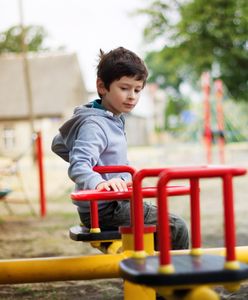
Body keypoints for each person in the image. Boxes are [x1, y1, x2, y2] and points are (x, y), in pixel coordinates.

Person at [51, 47, 189, 250]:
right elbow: (79, 165)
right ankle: (178, 280)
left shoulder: (108, 117)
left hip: (112, 203)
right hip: (106, 208)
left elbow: (59, 143)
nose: (132, 96)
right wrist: (99, 182)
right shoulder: (94, 124)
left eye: (137, 89)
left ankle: (156, 272)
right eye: (124, 88)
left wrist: (101, 168)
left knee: (161, 227)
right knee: (175, 227)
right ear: (102, 86)